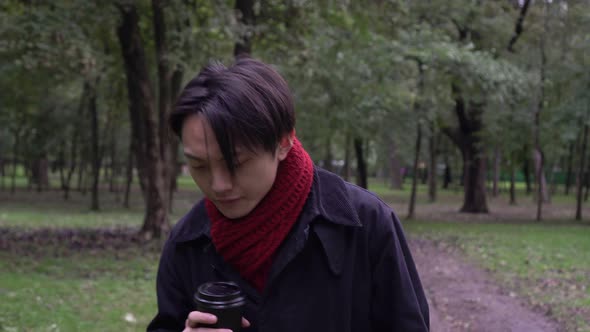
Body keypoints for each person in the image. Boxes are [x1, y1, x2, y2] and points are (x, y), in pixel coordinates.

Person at [147, 57, 430, 332]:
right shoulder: (187, 243)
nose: (218, 185)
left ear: (283, 142)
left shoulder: (366, 225)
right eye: (199, 165)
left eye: (235, 163)